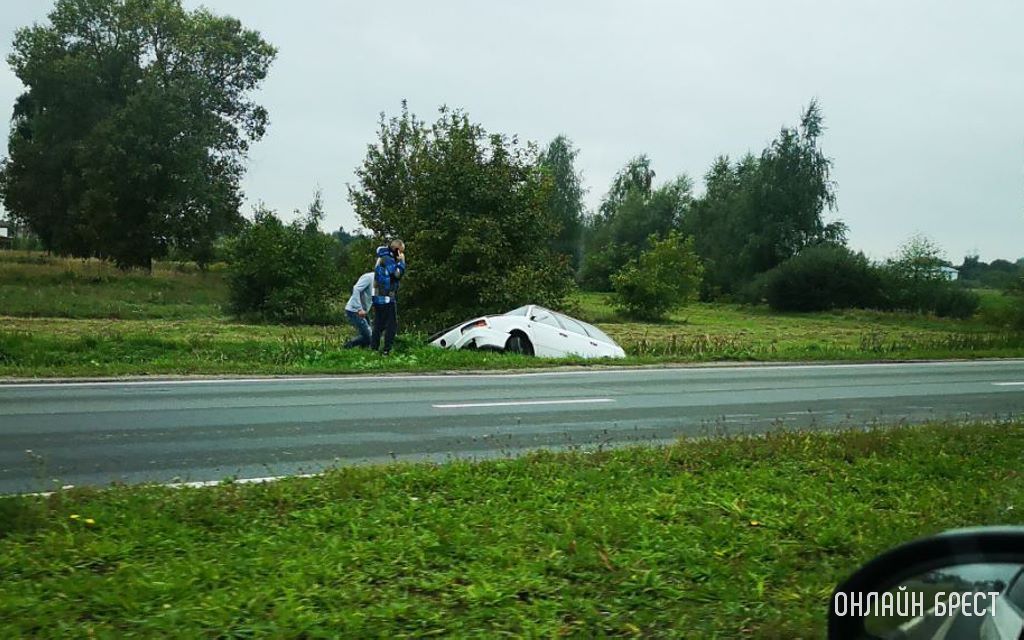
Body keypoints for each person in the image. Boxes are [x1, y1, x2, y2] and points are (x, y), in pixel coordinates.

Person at [370, 239, 406, 355]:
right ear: (396, 249)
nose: (401, 254)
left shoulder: (382, 256)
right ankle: (386, 350)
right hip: (386, 296)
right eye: (400, 252)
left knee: (379, 324)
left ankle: (374, 349)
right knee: (391, 325)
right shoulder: (388, 258)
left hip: (377, 296)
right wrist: (402, 262)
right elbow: (396, 274)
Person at [343, 271, 374, 348]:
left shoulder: (383, 280)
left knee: (368, 338)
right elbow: (356, 289)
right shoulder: (369, 277)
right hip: (354, 310)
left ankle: (362, 354)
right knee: (369, 336)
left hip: (364, 311)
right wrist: (359, 309)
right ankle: (347, 346)